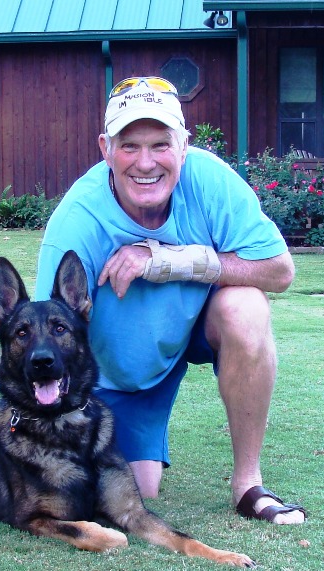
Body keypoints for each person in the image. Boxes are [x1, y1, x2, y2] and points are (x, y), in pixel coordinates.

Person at [35, 76, 306, 524]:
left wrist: (174, 261)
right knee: (131, 493)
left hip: (192, 327)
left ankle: (248, 484)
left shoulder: (211, 181)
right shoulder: (76, 221)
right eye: (129, 146)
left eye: (161, 144)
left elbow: (280, 270)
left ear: (183, 145)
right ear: (105, 148)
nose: (146, 163)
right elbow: (46, 334)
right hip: (114, 377)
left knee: (246, 306)